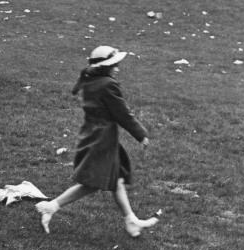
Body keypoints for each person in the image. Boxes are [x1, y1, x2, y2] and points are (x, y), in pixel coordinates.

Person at [35, 45, 158, 238]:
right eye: (115, 65)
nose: (117, 68)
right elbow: (122, 113)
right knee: (94, 182)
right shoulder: (108, 84)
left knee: (115, 178)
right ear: (105, 67)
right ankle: (52, 206)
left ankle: (130, 219)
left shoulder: (89, 80)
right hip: (102, 139)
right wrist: (140, 134)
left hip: (93, 132)